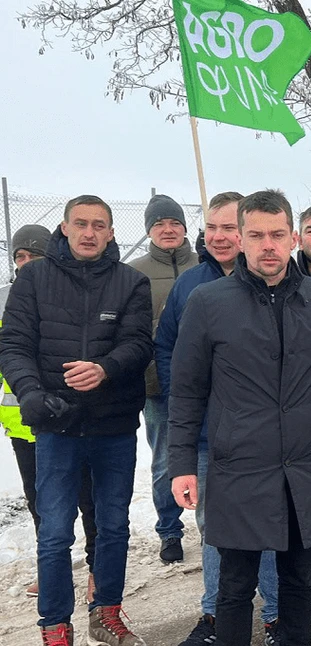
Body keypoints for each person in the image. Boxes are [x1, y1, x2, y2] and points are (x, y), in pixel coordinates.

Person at [168, 190, 311, 646]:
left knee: (300, 582)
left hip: (306, 466)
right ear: (240, 239)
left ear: (293, 238)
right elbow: (186, 393)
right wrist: (182, 462)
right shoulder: (207, 302)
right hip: (240, 466)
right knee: (236, 587)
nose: (268, 245)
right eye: (257, 235)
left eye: (278, 235)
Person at [0, 195, 153, 646]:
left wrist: (105, 368)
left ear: (110, 232)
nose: (89, 232)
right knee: (54, 532)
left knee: (113, 527)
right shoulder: (33, 280)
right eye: (81, 224)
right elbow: (14, 346)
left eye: (99, 225)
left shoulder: (131, 282)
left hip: (113, 427)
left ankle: (106, 613)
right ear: (64, 229)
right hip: (56, 426)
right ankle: (54, 627)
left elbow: (139, 345)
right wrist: (30, 393)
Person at [155, 192, 281, 646]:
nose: (220, 236)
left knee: (269, 525)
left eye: (230, 227)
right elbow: (169, 350)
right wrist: (193, 404)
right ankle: (213, 616)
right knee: (215, 528)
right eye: (213, 227)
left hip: (264, 437)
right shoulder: (192, 286)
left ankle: (275, 614)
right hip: (211, 436)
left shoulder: (277, 280)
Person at [1, 224, 98, 602]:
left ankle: (96, 569)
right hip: (24, 425)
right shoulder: (5, 301)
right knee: (40, 504)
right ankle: (50, 570)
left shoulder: (63, 294)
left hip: (72, 421)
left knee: (86, 498)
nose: (25, 264)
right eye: (19, 257)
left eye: (33, 256)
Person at [128, 194, 199, 564]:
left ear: (185, 227)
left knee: (209, 455)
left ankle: (213, 522)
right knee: (166, 460)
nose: (167, 229)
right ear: (149, 231)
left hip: (207, 381)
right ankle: (169, 530)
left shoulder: (204, 264)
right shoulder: (135, 272)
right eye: (159, 224)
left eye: (174, 222)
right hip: (157, 383)